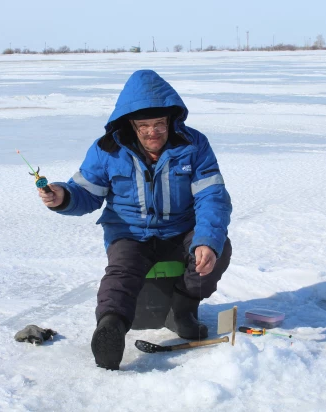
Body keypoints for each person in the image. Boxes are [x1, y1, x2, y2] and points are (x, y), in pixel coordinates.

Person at [38, 69, 232, 370]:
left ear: (171, 120)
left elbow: (212, 196)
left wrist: (207, 240)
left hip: (180, 230)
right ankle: (110, 327)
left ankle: (182, 310)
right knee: (122, 273)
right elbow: (86, 191)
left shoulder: (194, 145)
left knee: (216, 250)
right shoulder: (107, 149)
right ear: (130, 124)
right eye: (144, 126)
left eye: (159, 124)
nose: (153, 132)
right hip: (129, 232)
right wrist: (63, 196)